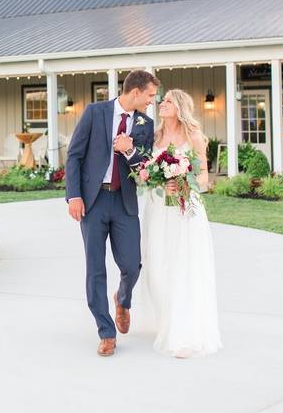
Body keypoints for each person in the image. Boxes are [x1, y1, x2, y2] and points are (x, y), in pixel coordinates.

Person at [65, 69, 158, 357]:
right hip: (92, 202)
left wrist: (130, 150)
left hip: (124, 201)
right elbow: (74, 155)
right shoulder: (96, 112)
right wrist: (74, 195)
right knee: (95, 268)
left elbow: (145, 167)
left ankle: (123, 298)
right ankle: (106, 332)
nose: (152, 101)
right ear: (135, 92)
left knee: (132, 264)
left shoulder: (145, 123)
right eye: (150, 95)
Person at [140, 88, 222, 358]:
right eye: (161, 101)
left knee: (183, 267)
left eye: (167, 102)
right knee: (156, 266)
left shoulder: (194, 136)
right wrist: (153, 177)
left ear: (180, 108)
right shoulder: (155, 136)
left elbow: (204, 179)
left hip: (185, 211)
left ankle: (185, 332)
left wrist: (183, 183)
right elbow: (144, 173)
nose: (161, 104)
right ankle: (166, 318)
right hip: (157, 208)